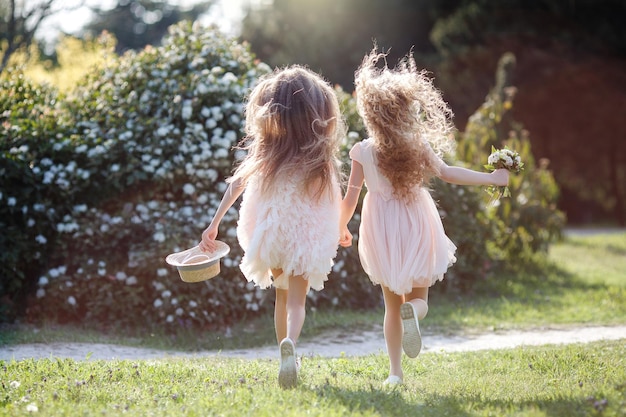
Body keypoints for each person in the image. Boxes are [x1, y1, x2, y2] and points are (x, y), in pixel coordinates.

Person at [339, 47, 510, 386]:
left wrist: (340, 227)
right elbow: (448, 173)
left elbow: (351, 198)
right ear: (405, 110)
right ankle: (414, 314)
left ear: (371, 114)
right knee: (420, 299)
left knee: (390, 305)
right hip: (416, 220)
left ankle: (395, 374)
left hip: (381, 227)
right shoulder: (417, 145)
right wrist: (491, 178)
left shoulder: (362, 151)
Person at [199, 66, 344, 389]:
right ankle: (291, 342)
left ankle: (283, 354)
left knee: (280, 297)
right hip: (304, 235)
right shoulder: (318, 157)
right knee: (296, 301)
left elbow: (235, 184)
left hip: (273, 231)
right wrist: (341, 227)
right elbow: (331, 201)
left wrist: (214, 224)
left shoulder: (267, 151)